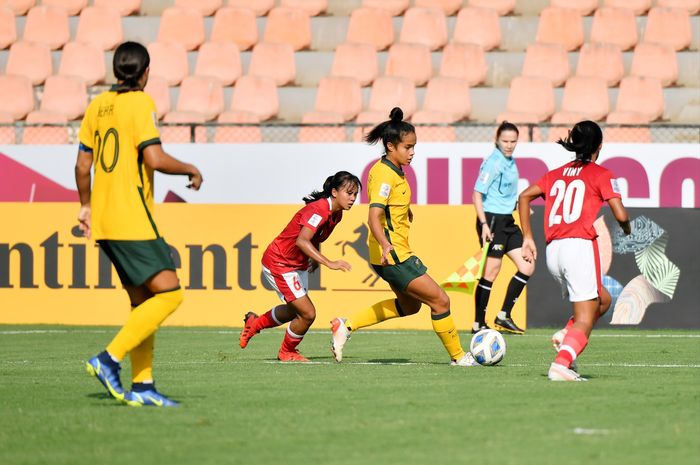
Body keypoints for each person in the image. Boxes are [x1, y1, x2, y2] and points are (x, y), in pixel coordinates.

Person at [75, 41, 203, 406]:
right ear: (145, 72)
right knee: (171, 293)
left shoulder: (96, 106)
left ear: (116, 70)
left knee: (142, 303)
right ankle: (108, 358)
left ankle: (143, 386)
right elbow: (154, 156)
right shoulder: (141, 103)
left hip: (103, 220)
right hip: (132, 219)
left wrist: (85, 206)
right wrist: (191, 168)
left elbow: (83, 166)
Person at [330, 107, 478, 367]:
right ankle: (459, 357)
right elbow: (373, 217)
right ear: (391, 146)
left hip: (389, 252)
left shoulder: (391, 170)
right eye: (407, 147)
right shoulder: (386, 174)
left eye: (414, 147)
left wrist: (403, 210)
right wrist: (387, 244)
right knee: (440, 300)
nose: (412, 153)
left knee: (410, 307)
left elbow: (388, 205)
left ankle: (346, 325)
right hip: (394, 254)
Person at [518, 120, 630, 382]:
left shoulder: (555, 173)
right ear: (599, 146)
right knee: (585, 317)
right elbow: (621, 213)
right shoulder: (602, 174)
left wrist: (527, 238)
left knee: (602, 300)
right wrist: (626, 228)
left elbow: (523, 196)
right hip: (578, 246)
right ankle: (562, 363)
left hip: (553, 250)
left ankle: (565, 336)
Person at [239, 171, 361, 362]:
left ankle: (255, 324)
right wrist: (328, 262)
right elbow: (302, 241)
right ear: (335, 192)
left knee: (295, 310)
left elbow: (315, 236)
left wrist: (313, 258)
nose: (353, 198)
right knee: (308, 313)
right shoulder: (320, 209)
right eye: (349, 193)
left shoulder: (337, 215)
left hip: (297, 264)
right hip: (279, 262)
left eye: (355, 194)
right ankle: (286, 352)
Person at [471, 121, 534, 334]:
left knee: (527, 265)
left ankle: (503, 315)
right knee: (492, 271)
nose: (509, 145)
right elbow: (477, 194)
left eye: (513, 141)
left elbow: (502, 194)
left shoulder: (510, 161)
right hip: (492, 221)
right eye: (505, 141)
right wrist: (484, 224)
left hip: (507, 220)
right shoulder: (493, 162)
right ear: (496, 140)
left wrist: (517, 206)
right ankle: (478, 323)